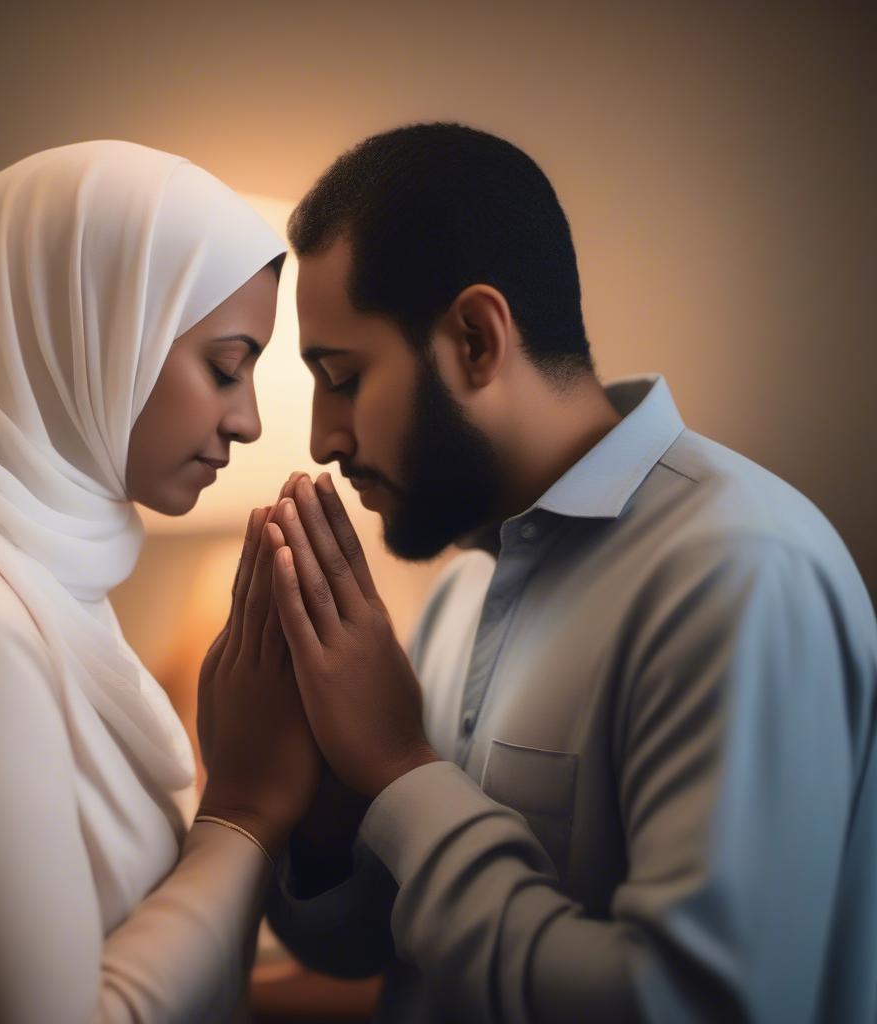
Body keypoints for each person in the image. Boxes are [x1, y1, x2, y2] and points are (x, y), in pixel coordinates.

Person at [252, 124, 877, 1023]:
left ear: (475, 338)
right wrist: (319, 806)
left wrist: (398, 770)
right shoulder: (463, 589)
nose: (323, 439)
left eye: (342, 377)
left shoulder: (738, 575)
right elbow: (375, 946)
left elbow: (693, 1006)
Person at [0, 140, 320, 1023]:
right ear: (94, 329)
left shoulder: (42, 592)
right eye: (226, 365)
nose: (250, 420)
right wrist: (245, 815)